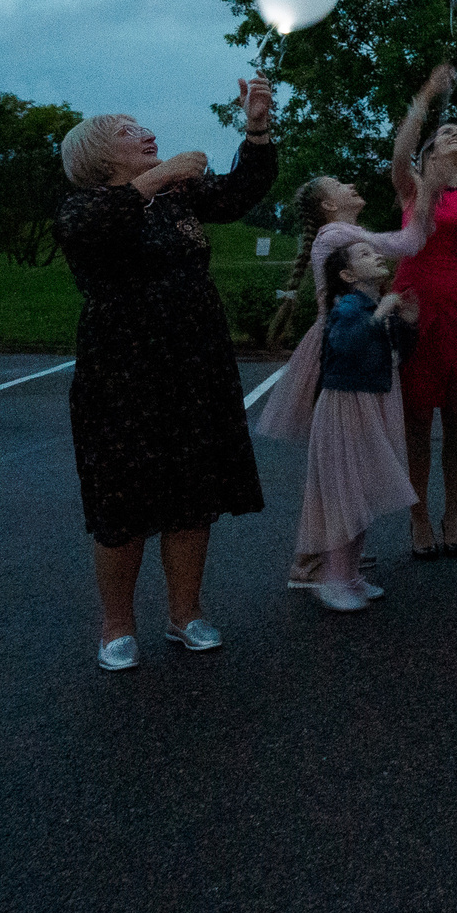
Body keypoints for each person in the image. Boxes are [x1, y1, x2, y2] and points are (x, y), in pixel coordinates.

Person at [55, 79, 277, 672]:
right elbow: (94, 224)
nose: (147, 132)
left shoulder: (177, 198)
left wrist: (255, 130)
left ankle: (186, 615)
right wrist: (159, 177)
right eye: (129, 131)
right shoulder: (87, 207)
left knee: (191, 498)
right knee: (123, 506)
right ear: (99, 157)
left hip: (195, 370)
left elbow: (238, 193)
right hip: (123, 380)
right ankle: (116, 627)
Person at [257, 173, 427, 590]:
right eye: (338, 185)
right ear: (329, 207)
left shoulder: (343, 233)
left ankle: (332, 556)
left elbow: (406, 242)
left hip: (346, 348)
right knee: (342, 459)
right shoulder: (337, 235)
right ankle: (320, 560)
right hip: (343, 351)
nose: (351, 186)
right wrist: (430, 191)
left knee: (342, 459)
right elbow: (408, 243)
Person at [389, 64, 457, 559]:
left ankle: (453, 512)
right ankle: (419, 513)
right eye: (446, 133)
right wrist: (427, 97)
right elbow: (399, 152)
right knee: (415, 419)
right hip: (413, 306)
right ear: (429, 152)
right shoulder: (413, 189)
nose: (456, 137)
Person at [301, 240, 420, 612]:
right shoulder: (347, 306)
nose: (377, 256)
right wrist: (379, 316)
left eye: (375, 251)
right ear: (348, 276)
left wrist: (408, 324)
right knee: (344, 495)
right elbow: (346, 344)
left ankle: (349, 575)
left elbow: (402, 353)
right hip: (345, 407)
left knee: (360, 492)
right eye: (365, 255)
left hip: (369, 403)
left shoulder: (371, 305)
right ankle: (332, 579)